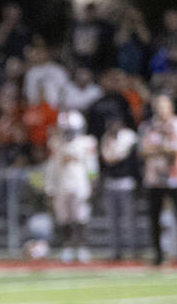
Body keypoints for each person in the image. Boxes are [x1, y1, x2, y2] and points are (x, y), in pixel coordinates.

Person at [139, 93, 177, 265]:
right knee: (154, 218)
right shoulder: (149, 126)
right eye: (158, 106)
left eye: (164, 106)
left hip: (176, 178)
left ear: (171, 107)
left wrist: (157, 149)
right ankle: (158, 255)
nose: (160, 110)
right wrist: (162, 149)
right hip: (154, 178)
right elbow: (143, 151)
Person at [44, 110, 98, 262]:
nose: (67, 133)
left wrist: (93, 181)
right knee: (64, 218)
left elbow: (92, 165)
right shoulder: (56, 143)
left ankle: (81, 247)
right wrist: (50, 186)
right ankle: (67, 246)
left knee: (80, 216)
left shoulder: (87, 142)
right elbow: (52, 166)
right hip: (62, 184)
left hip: (80, 184)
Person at [99, 115, 141, 261]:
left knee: (129, 220)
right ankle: (116, 251)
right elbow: (107, 158)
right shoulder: (106, 137)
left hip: (126, 182)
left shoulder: (129, 136)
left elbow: (117, 156)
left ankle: (133, 250)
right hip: (111, 182)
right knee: (113, 221)